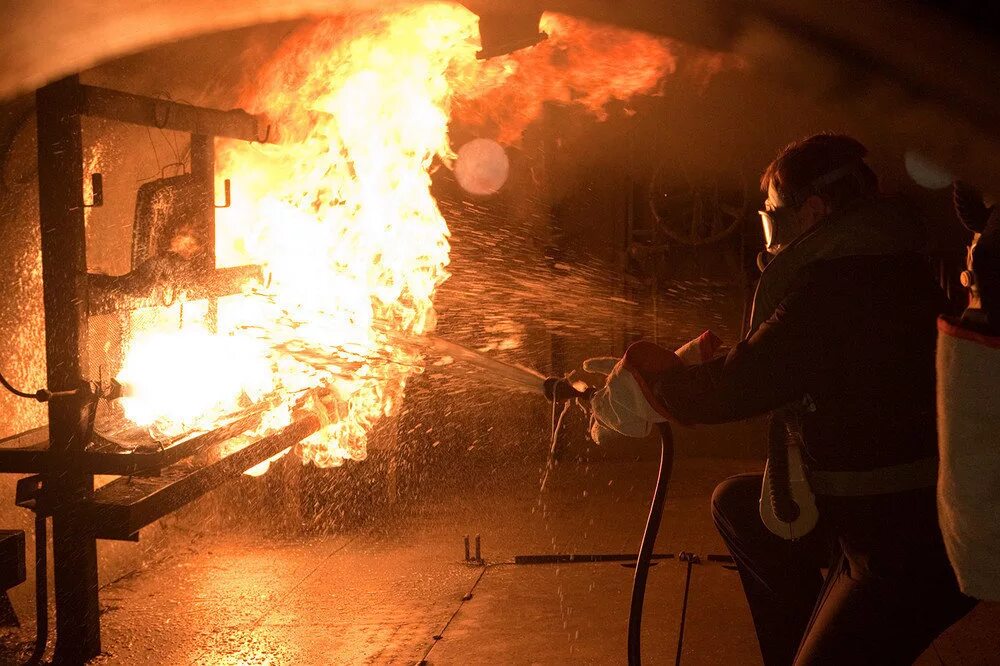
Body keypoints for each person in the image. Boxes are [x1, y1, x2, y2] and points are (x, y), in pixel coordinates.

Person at [588, 134, 977, 665]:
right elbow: (781, 361)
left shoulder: (839, 288)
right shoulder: (881, 264)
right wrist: (683, 372)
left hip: (903, 552)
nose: (770, 237)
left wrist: (649, 383)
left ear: (814, 211)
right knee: (739, 506)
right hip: (884, 519)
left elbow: (739, 386)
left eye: (774, 218)